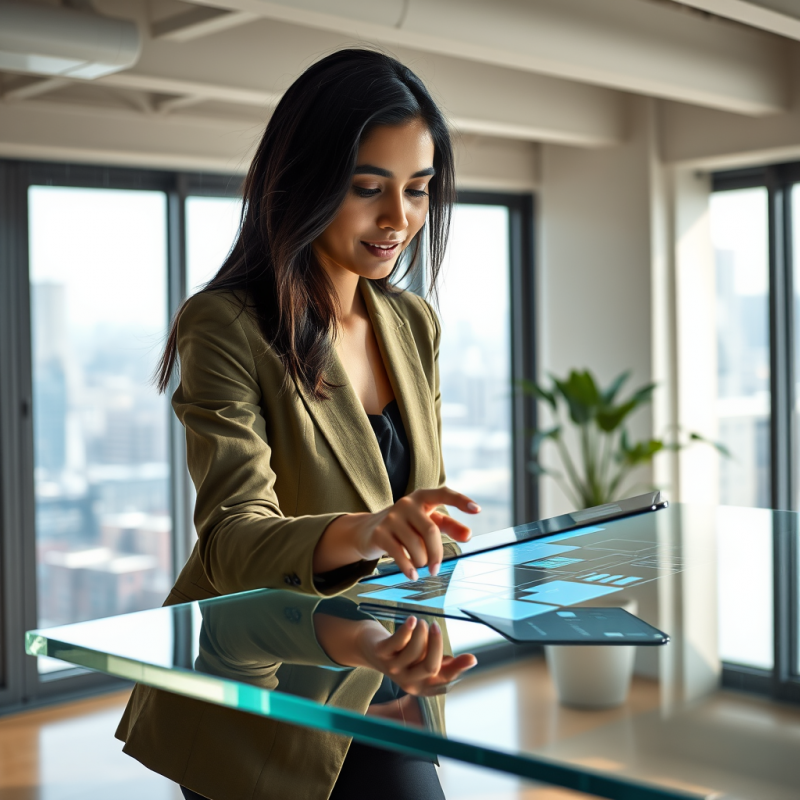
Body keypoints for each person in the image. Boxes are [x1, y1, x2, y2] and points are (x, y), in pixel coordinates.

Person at [115, 48, 480, 800]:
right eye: (368, 189)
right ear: (306, 182)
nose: (400, 219)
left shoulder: (414, 324)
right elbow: (230, 541)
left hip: (388, 665)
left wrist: (414, 539)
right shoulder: (226, 324)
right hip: (265, 688)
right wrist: (368, 530)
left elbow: (416, 507)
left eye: (418, 190)